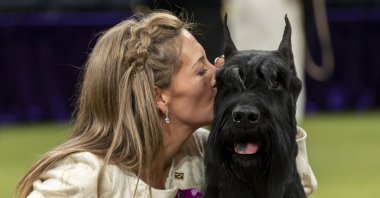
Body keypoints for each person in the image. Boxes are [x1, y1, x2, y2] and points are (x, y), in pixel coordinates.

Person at [16, 11, 316, 197]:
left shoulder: (202, 149)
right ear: (159, 96)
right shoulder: (83, 179)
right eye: (202, 69)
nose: (218, 74)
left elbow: (292, 186)